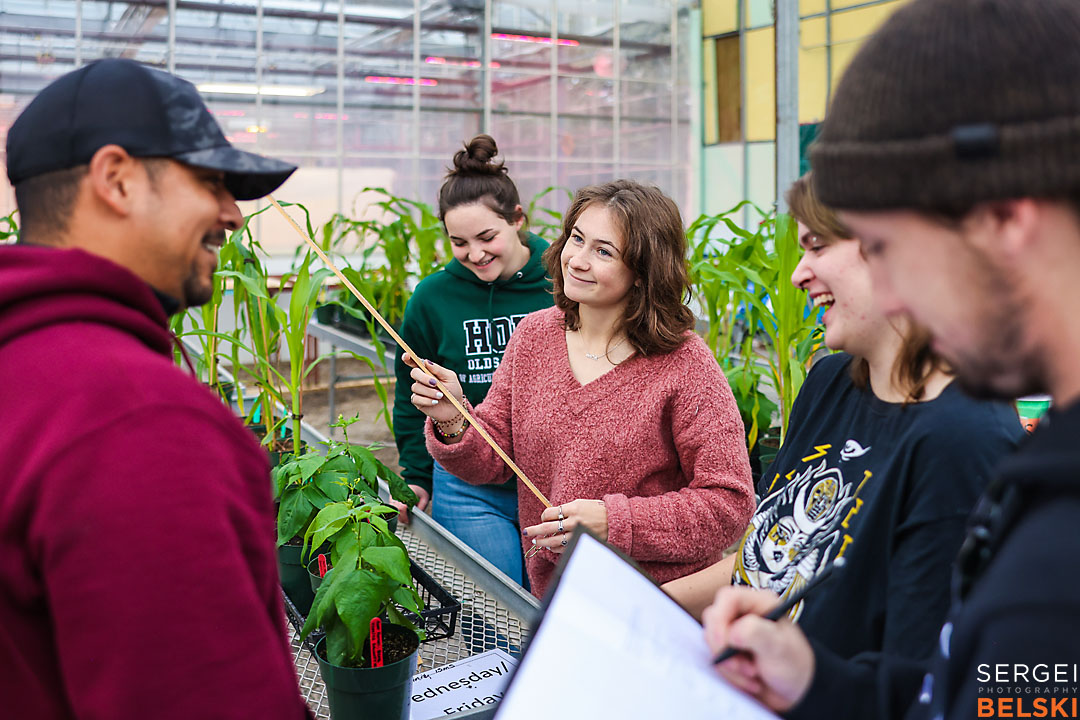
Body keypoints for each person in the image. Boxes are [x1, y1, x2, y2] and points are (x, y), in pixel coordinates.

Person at [702, 1, 1080, 718]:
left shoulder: (1056, 561)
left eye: (887, 247)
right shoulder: (1044, 486)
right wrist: (818, 680)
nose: (896, 292)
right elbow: (967, 696)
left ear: (1003, 218)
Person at [0, 59, 310, 718]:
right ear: (117, 180)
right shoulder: (137, 421)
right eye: (210, 181)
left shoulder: (22, 367)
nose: (232, 211)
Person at [663, 174, 1021, 666]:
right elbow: (762, 566)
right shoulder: (831, 382)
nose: (797, 273)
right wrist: (642, 605)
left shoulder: (965, 440)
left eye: (818, 245)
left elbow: (910, 677)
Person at [404, 179, 756, 598]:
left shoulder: (685, 364)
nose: (577, 260)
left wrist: (615, 522)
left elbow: (729, 505)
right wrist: (454, 419)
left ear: (644, 273)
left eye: (603, 251)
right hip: (558, 595)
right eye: (576, 239)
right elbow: (493, 462)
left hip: (656, 602)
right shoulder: (534, 335)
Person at [391, 134, 552, 586]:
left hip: (554, 474)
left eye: (487, 237)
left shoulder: (563, 280)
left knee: (556, 611)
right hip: (468, 482)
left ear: (517, 219)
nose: (475, 254)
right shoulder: (432, 298)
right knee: (500, 613)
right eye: (458, 242)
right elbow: (411, 396)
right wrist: (417, 475)